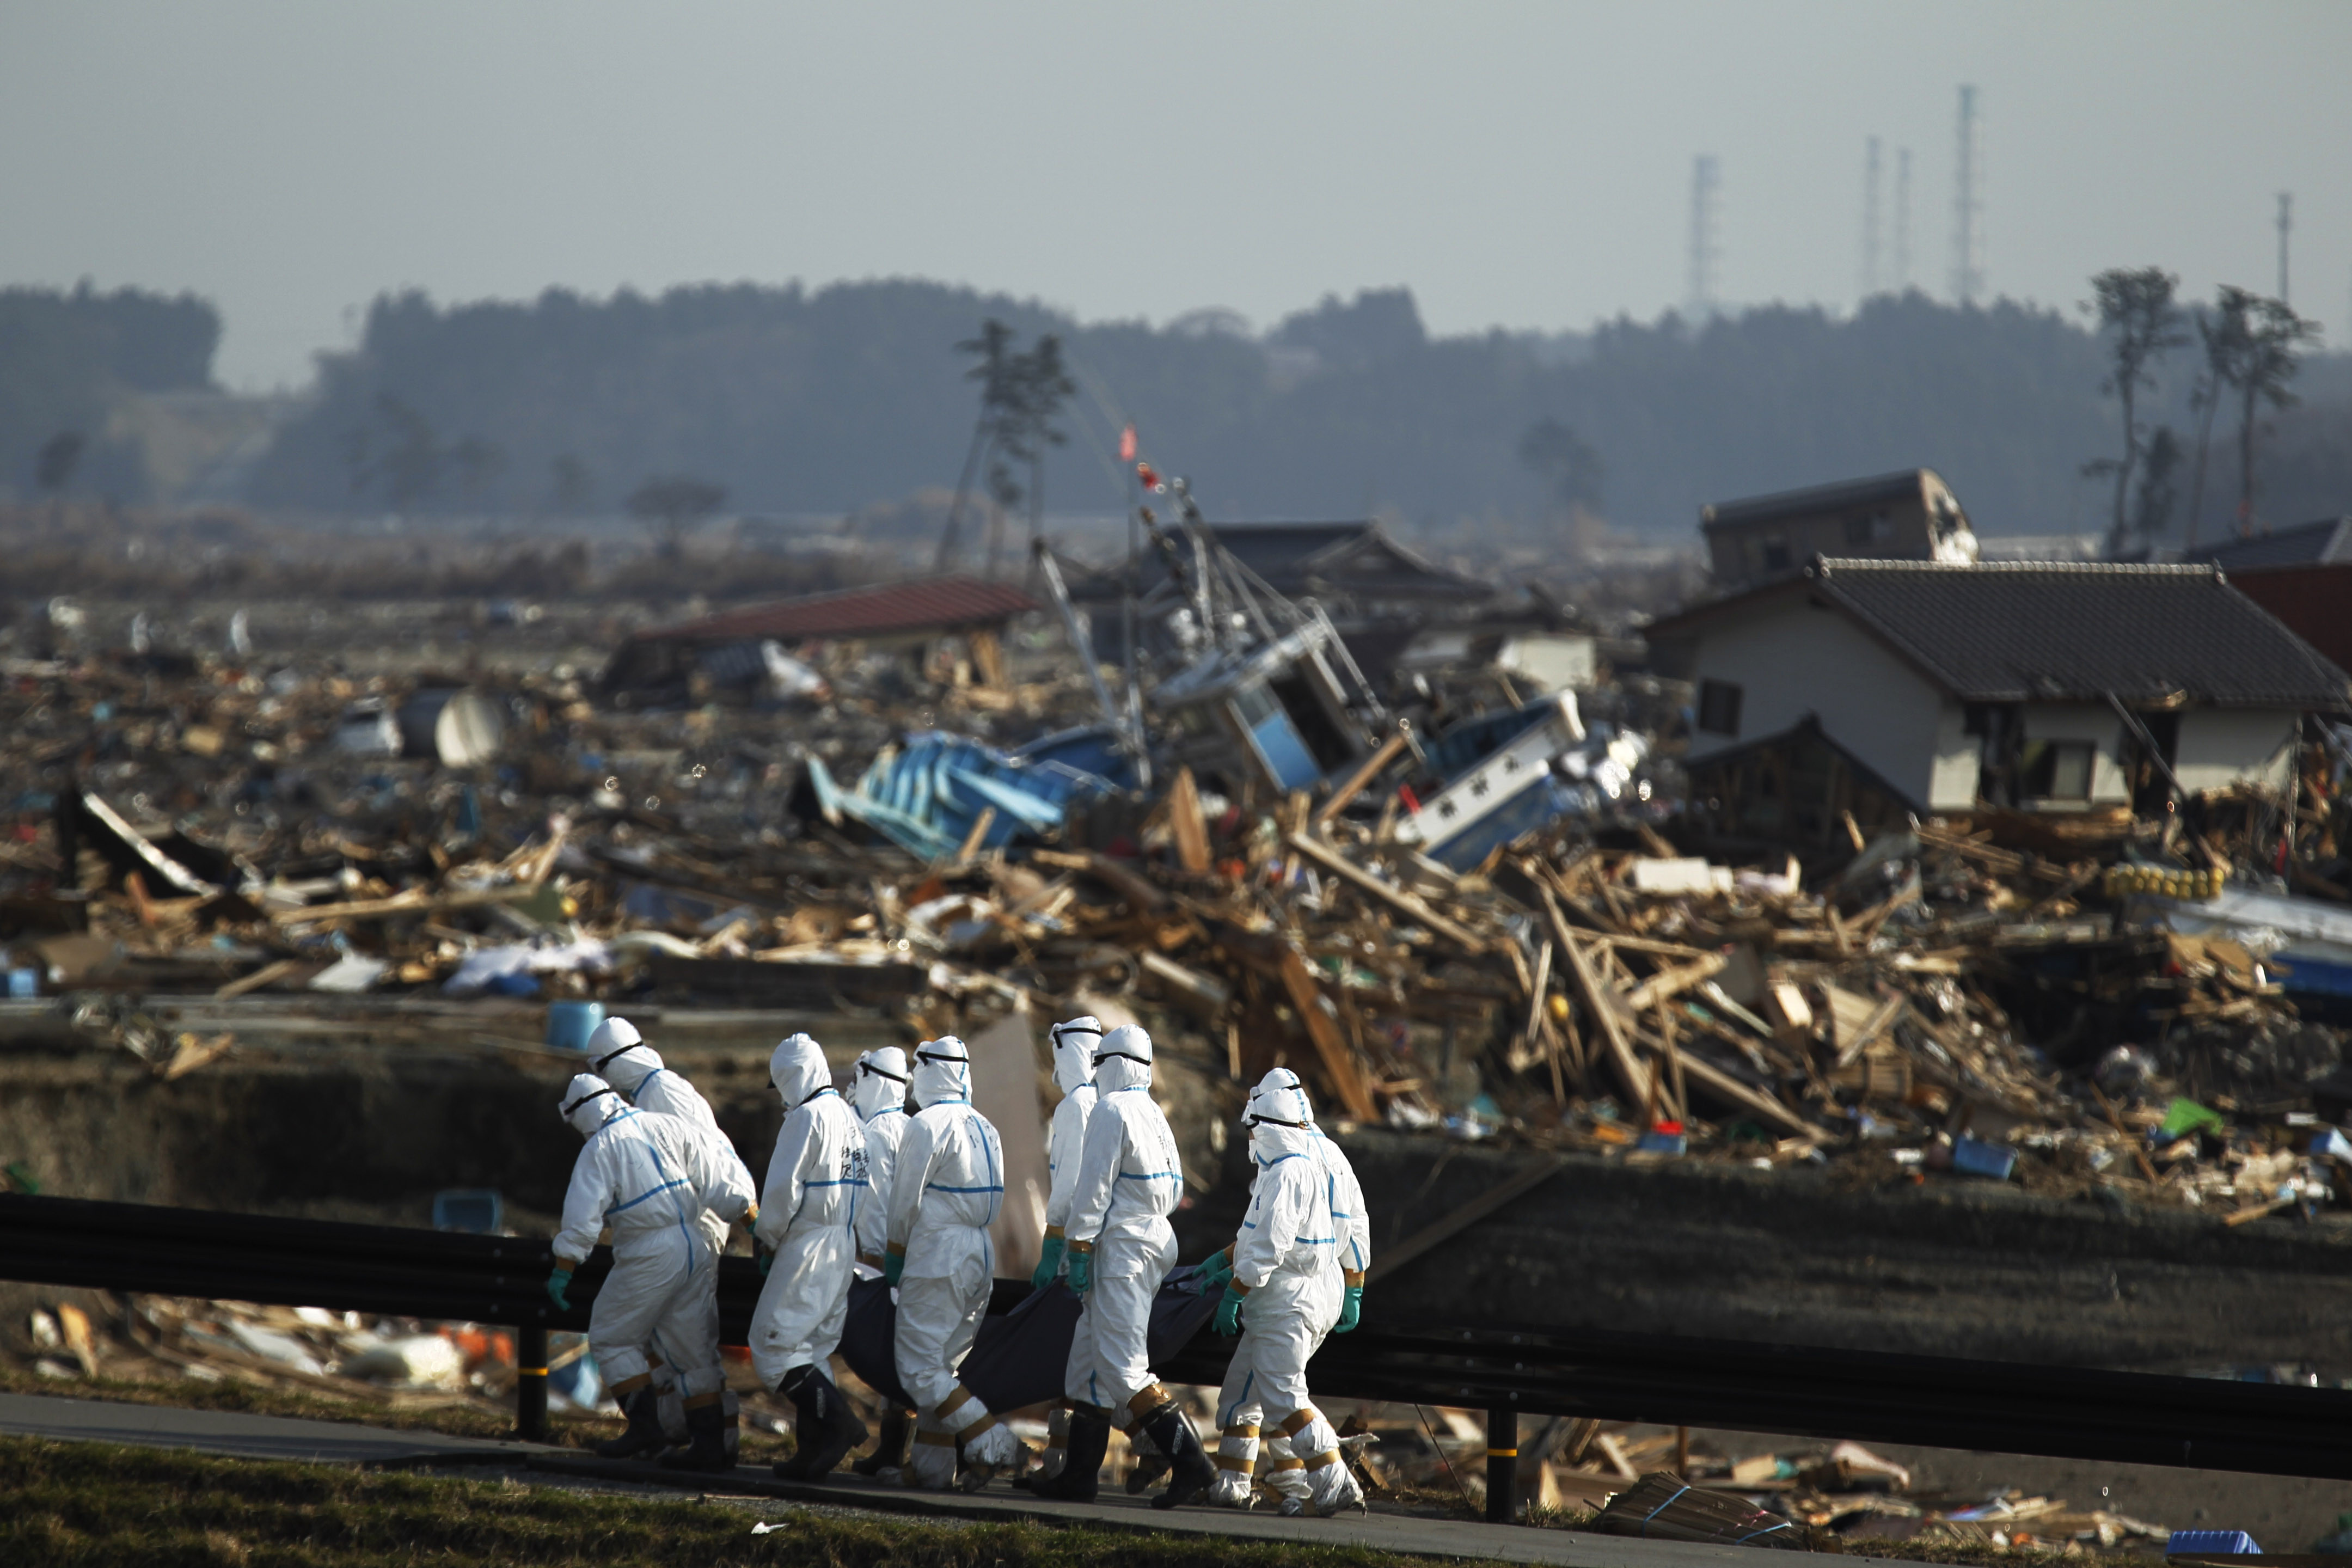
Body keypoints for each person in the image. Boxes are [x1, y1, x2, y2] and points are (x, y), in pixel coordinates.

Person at [1031, 1023, 1215, 1509]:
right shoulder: (1153, 1112)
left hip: (1123, 1248)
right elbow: (1175, 1187)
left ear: (1109, 1063)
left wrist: (1078, 1248)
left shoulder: (1110, 1110)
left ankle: (1193, 1464)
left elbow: (1092, 1190)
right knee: (1086, 1367)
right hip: (1152, 1237)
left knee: (1123, 1367)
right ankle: (1078, 1477)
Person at [547, 1071, 754, 1472]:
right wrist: (753, 1222)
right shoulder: (667, 1124)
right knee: (692, 1352)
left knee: (611, 1338)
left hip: (650, 1251)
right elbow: (718, 1177)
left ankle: (645, 1429)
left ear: (582, 1113)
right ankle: (711, 1446)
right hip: (695, 1244)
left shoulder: (599, 1149)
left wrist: (564, 1268)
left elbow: (582, 1221)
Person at [1202, 1069, 1366, 1517]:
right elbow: (1356, 1223)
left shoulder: (1286, 1170)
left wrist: (1235, 1287)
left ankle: (1331, 1479)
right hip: (1319, 1283)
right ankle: (1239, 1483)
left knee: (1282, 1393)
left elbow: (1271, 1240)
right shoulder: (1326, 1154)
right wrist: (1355, 1285)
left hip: (1287, 1291)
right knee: (1244, 1392)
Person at [884, 1036, 1021, 1491]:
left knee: (919, 1368)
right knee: (943, 1367)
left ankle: (991, 1441)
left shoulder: (925, 1124)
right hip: (979, 1251)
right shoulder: (986, 1126)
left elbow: (904, 1200)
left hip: (938, 1252)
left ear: (929, 1070)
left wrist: (896, 1250)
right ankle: (932, 1469)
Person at [747, 1032, 870, 1479]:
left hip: (810, 1244)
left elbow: (782, 1193)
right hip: (843, 1243)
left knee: (772, 1346)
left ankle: (841, 1426)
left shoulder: (806, 1118)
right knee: (811, 1348)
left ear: (791, 1076)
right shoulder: (851, 1118)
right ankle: (812, 1452)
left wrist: (767, 1238)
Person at [589, 1015, 758, 1287]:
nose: (603, 1077)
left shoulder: (662, 1092)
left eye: (601, 1067)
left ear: (620, 1059)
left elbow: (708, 1159)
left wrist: (754, 1225)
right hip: (685, 1224)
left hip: (699, 1223)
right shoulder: (649, 1094)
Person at [1022, 1015, 1101, 1490]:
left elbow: (1070, 1184)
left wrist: (1053, 1244)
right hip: (1095, 1242)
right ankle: (1057, 1464)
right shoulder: (1105, 1101)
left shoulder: (1077, 1106)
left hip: (1077, 1245)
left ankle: (1064, 1466)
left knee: (1081, 1362)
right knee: (1080, 1363)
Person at [846, 1045, 915, 1478]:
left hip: (885, 1259)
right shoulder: (912, 1125)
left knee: (891, 1355)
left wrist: (871, 1262)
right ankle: (898, 1450)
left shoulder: (874, 1133)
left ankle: (892, 1450)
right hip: (919, 1253)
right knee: (913, 1354)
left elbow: (875, 1208)